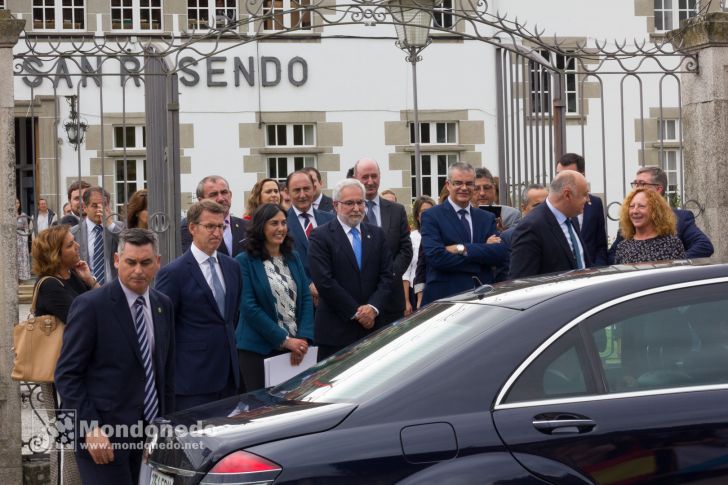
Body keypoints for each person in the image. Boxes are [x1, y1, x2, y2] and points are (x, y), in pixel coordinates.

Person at [55, 228, 174, 485]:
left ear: (158, 263)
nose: (138, 271)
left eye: (146, 263)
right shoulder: (90, 306)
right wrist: (89, 428)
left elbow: (165, 371)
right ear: (117, 260)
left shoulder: (163, 304)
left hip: (151, 437)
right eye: (131, 262)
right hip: (103, 437)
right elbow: (67, 375)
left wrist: (166, 427)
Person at [156, 200, 241, 408]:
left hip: (229, 375)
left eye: (221, 226)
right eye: (210, 226)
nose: (217, 232)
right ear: (193, 228)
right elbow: (163, 328)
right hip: (192, 379)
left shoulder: (232, 266)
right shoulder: (174, 273)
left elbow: (232, 316)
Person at [31, 225, 98, 485]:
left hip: (79, 369)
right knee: (66, 437)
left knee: (77, 436)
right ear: (55, 254)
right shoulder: (49, 286)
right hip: (59, 373)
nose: (77, 247)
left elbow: (103, 307)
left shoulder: (73, 277)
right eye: (70, 245)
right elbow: (86, 320)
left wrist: (90, 280)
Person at [308, 179, 393, 361]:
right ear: (336, 205)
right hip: (336, 331)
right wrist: (357, 313)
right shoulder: (320, 236)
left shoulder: (377, 234)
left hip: (373, 328)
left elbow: (387, 276)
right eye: (349, 203)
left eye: (360, 202)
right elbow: (324, 282)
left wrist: (372, 308)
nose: (356, 208)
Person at [235, 204, 314, 391]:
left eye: (284, 223)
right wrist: (285, 340)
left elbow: (306, 297)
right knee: (262, 410)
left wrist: (302, 339)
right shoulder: (244, 261)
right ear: (261, 227)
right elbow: (249, 307)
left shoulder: (293, 257)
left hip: (295, 350)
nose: (281, 228)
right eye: (274, 223)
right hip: (257, 350)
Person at [420, 163, 508, 305]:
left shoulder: (486, 218)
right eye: (458, 183)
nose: (464, 188)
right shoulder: (431, 216)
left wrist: (462, 248)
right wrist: (482, 253)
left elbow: (499, 254)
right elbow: (436, 257)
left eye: (469, 184)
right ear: (448, 185)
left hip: (481, 298)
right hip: (444, 298)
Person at [608, 165, 713, 262]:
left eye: (642, 184)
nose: (637, 188)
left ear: (658, 189)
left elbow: (704, 246)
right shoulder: (630, 221)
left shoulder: (680, 219)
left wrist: (673, 263)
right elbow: (613, 256)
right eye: (635, 183)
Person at [353, 158, 412, 323]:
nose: (370, 181)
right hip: (361, 302)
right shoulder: (349, 211)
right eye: (365, 177)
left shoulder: (396, 210)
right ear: (356, 178)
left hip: (392, 299)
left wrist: (389, 275)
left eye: (374, 176)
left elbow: (405, 250)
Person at [509, 171, 591, 278]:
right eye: (584, 194)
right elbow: (522, 281)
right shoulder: (531, 227)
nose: (588, 200)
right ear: (567, 195)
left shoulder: (571, 218)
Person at [284, 170, 335, 305]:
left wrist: (326, 286)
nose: (302, 195)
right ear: (287, 192)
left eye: (306, 189)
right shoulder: (281, 223)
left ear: (314, 188)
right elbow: (283, 262)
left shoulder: (331, 220)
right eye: (296, 190)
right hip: (298, 301)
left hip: (332, 299)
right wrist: (308, 286)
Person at [556, 153, 608, 266]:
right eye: (559, 175)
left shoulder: (595, 203)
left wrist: (598, 270)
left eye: (567, 177)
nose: (561, 182)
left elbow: (600, 245)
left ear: (582, 175)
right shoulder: (551, 207)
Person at [181, 175, 247, 257]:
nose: (221, 198)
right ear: (201, 200)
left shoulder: (246, 225)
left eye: (224, 192)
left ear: (230, 195)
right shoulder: (191, 226)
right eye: (213, 194)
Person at [614, 188, 685, 264]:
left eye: (641, 206)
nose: (635, 211)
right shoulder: (623, 247)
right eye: (631, 206)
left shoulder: (672, 244)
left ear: (655, 211)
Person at [70, 187, 120, 285]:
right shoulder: (74, 232)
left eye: (104, 205)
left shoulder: (118, 228)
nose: (100, 210)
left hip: (114, 289)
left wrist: (110, 225)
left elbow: (128, 246)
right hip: (87, 290)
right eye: (95, 206)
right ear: (85, 207)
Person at [402, 195, 435, 315]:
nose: (428, 215)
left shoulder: (438, 237)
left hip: (432, 287)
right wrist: (406, 301)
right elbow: (406, 272)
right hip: (414, 291)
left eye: (431, 211)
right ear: (417, 216)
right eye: (423, 212)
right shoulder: (412, 237)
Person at [16, 198, 31, 281]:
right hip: (12, 239)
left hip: (21, 240)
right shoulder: (7, 215)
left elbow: (26, 228)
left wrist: (24, 237)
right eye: (15, 203)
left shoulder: (23, 214)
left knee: (22, 258)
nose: (16, 204)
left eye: (18, 202)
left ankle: (22, 278)